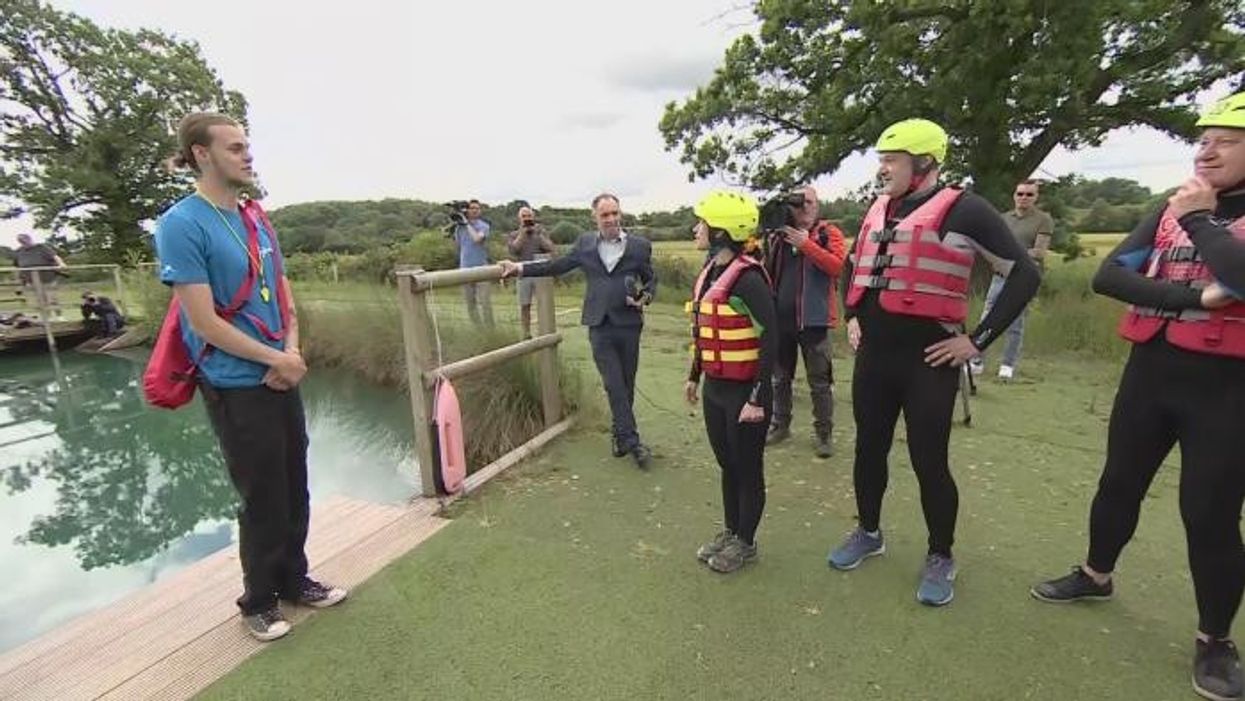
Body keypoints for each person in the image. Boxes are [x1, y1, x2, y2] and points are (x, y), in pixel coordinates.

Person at [1031, 91, 1245, 701]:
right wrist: (1195, 297)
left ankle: (1215, 639)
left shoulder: (1193, 212)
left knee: (1208, 512)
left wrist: (1203, 221)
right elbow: (1109, 275)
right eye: (1202, 139)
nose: (1206, 150)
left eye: (1225, 140)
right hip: (1151, 368)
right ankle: (1097, 574)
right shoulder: (1170, 207)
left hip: (1229, 387)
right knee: (1119, 481)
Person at [829, 118, 1040, 606]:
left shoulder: (966, 210)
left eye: (892, 160)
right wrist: (854, 315)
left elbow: (1023, 274)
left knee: (929, 460)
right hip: (875, 357)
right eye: (880, 159)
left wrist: (978, 341)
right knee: (868, 449)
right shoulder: (878, 208)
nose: (882, 169)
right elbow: (854, 265)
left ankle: (941, 554)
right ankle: (868, 532)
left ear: (923, 163)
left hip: (930, 359)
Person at [153, 112, 345, 642]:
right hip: (235, 381)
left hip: (283, 372)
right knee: (261, 493)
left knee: (294, 483)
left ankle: (293, 579)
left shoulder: (257, 219)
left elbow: (283, 294)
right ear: (201, 154)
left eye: (246, 146)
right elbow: (204, 322)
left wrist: (293, 351)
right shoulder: (181, 224)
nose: (247, 155)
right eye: (235, 147)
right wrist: (272, 360)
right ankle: (258, 600)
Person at [499, 193, 656, 468]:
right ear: (594, 217)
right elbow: (557, 265)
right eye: (605, 215)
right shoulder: (584, 244)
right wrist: (520, 268)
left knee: (626, 384)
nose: (611, 219)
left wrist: (645, 296)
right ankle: (632, 442)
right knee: (613, 383)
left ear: (620, 214)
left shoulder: (640, 247)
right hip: (598, 324)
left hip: (629, 324)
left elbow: (651, 279)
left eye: (615, 213)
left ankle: (620, 435)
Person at [684, 191, 777, 573]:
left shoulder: (749, 279)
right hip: (716, 389)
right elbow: (704, 330)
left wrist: (757, 397)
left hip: (746, 391)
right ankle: (731, 530)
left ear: (721, 232)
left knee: (747, 465)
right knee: (727, 464)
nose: (696, 229)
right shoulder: (711, 272)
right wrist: (694, 376)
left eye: (702, 223)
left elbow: (771, 338)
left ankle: (746, 542)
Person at [762, 184, 847, 458]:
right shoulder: (778, 237)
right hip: (781, 321)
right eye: (800, 203)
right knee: (780, 380)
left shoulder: (827, 233)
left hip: (814, 322)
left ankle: (824, 434)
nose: (806, 207)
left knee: (819, 382)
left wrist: (806, 245)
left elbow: (837, 266)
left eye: (811, 202)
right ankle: (780, 425)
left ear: (818, 205)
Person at [969, 179, 1054, 380]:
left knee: (1015, 322)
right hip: (1000, 275)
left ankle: (1007, 365)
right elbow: (992, 246)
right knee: (987, 317)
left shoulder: (1043, 220)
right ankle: (977, 360)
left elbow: (1039, 252)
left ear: (1036, 197)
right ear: (1014, 195)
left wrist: (1012, 255)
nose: (1024, 198)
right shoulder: (1004, 218)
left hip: (1023, 277)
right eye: (1020, 194)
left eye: (1029, 194)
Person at [506, 206, 556, 339]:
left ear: (533, 217)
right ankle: (526, 333)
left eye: (529, 216)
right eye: (524, 216)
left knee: (543, 303)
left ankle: (544, 332)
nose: (527, 219)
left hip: (540, 273)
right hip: (523, 273)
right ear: (519, 219)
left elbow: (550, 248)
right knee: (525, 304)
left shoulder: (540, 232)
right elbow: (514, 250)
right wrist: (523, 233)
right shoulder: (513, 235)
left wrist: (538, 235)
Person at [454, 199, 494, 326]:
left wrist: (467, 224)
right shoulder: (459, 228)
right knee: (470, 304)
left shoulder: (484, 226)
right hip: (465, 268)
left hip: (481, 268)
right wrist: (461, 223)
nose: (475, 210)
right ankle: (478, 330)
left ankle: (490, 330)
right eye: (472, 208)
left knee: (485, 303)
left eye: (477, 208)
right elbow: (459, 245)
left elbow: (477, 239)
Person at [13, 233, 67, 318]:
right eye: (21, 242)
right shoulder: (19, 251)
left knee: (52, 298)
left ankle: (59, 316)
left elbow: (55, 256)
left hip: (47, 278)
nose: (23, 244)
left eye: (24, 241)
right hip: (32, 280)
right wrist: (20, 280)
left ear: (29, 239)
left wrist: (61, 264)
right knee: (41, 300)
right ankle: (47, 318)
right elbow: (17, 266)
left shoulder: (42, 247)